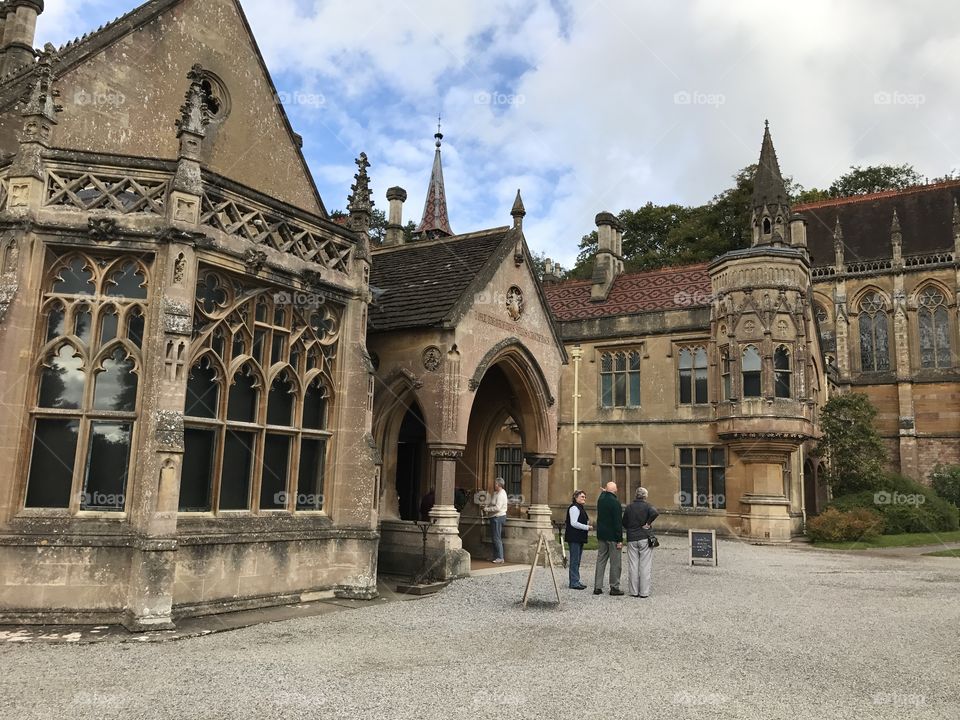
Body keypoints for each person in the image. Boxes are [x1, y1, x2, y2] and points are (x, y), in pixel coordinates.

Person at [622, 486, 659, 598]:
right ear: (645, 496)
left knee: (633, 566)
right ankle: (644, 592)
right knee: (645, 566)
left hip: (632, 538)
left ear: (636, 495)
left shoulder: (629, 507)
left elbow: (624, 522)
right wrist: (648, 523)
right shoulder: (648, 506)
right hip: (644, 537)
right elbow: (655, 513)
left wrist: (631, 527)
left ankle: (633, 591)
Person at [593, 481, 624, 595]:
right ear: (616, 491)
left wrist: (604, 492)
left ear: (605, 489)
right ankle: (614, 587)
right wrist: (619, 539)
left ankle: (597, 586)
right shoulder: (615, 503)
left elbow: (602, 495)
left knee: (601, 560)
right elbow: (617, 523)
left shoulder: (601, 500)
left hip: (602, 535)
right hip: (612, 536)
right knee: (615, 562)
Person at [565, 489, 593, 589]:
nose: (584, 498)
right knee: (574, 560)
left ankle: (576, 580)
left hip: (578, 537)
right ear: (576, 497)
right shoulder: (574, 508)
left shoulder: (580, 508)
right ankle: (573, 582)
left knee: (577, 560)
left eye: (585, 497)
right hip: (574, 537)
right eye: (582, 496)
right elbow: (573, 523)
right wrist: (587, 527)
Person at [484, 477, 508, 563]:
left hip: (498, 517)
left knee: (497, 537)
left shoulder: (501, 494)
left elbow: (498, 508)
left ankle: (500, 557)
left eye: (495, 484)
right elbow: (492, 503)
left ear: (499, 485)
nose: (494, 485)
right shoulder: (496, 493)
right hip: (494, 517)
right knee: (494, 537)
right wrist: (486, 506)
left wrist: (487, 510)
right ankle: (495, 556)